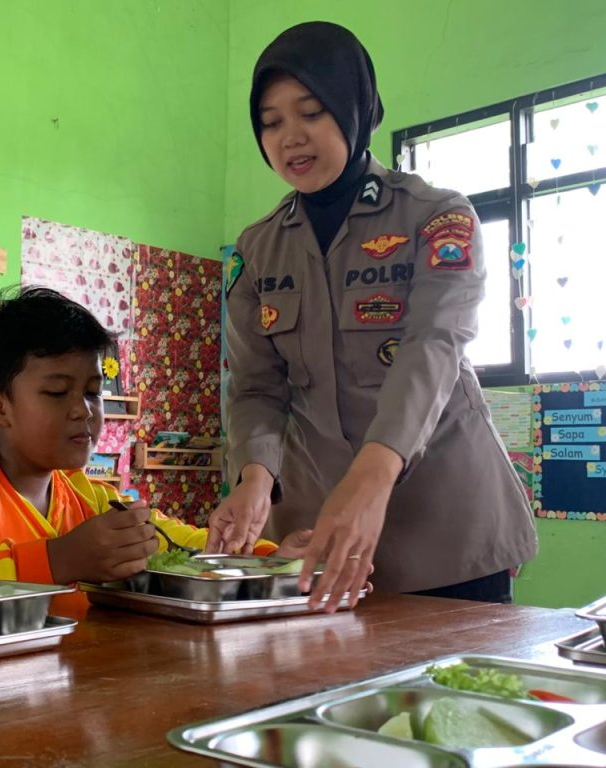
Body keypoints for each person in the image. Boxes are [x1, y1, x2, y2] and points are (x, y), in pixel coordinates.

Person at [206, 21, 537, 611]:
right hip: (319, 537)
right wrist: (254, 475)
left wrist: (370, 478)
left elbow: (433, 347)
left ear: (352, 107)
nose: (291, 138)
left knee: (449, 699)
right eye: (271, 121)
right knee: (327, 698)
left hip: (445, 529)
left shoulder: (435, 218)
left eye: (311, 112)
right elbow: (256, 387)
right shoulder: (257, 251)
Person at [0, 287, 309, 611]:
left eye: (93, 393)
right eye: (57, 393)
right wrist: (55, 560)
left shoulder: (88, 493)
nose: (83, 411)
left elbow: (173, 539)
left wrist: (270, 558)